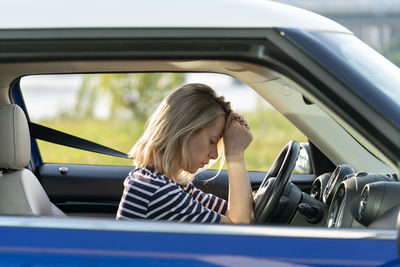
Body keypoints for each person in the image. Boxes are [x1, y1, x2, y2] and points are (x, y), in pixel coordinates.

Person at [116, 83, 253, 224]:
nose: (215, 155)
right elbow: (239, 229)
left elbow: (235, 212)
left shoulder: (170, 183)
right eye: (212, 141)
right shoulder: (159, 191)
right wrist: (235, 154)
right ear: (185, 131)